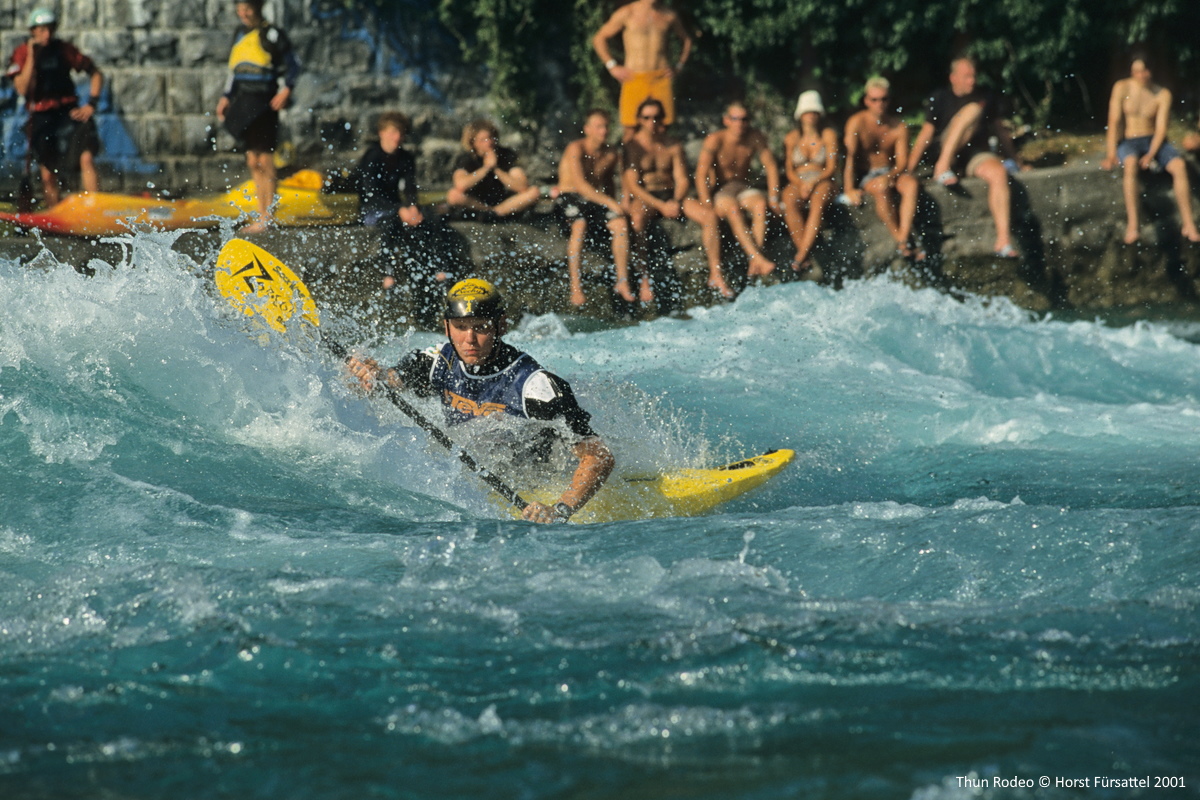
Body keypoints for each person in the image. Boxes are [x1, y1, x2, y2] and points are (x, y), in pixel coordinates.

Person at [345, 279, 615, 524]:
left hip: (540, 483)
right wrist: (369, 374)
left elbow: (599, 455)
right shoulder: (437, 361)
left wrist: (560, 509)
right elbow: (387, 380)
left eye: (481, 328)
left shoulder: (535, 387)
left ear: (502, 325)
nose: (469, 339)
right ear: (446, 327)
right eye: (460, 328)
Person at [908, 56, 1025, 258]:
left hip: (972, 154)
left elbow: (999, 130)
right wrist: (909, 168)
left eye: (973, 76)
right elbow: (926, 134)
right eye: (966, 77)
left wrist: (1016, 160)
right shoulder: (940, 97)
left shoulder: (986, 96)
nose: (972, 81)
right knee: (972, 110)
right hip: (945, 151)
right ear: (953, 78)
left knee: (999, 173)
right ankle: (942, 166)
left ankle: (1003, 240)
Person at [623, 97, 729, 300]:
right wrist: (661, 206)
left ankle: (716, 273)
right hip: (648, 197)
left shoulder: (672, 145)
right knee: (636, 220)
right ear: (639, 120)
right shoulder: (632, 147)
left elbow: (682, 179)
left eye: (656, 117)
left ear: (663, 119)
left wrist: (675, 201)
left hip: (671, 194)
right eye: (646, 118)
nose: (652, 122)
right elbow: (633, 185)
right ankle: (645, 279)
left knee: (710, 217)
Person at [215, 0, 301, 234]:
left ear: (257, 8)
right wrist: (225, 97)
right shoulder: (240, 33)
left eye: (247, 8)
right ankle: (261, 212)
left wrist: (286, 90)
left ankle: (267, 216)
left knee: (265, 158)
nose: (243, 13)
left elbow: (293, 66)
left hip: (264, 101)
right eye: (240, 8)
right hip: (244, 101)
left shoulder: (273, 33)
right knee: (252, 160)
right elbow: (233, 72)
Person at [5, 7, 103, 207]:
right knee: (48, 171)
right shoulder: (22, 53)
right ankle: (54, 214)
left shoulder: (63, 49)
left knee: (86, 158)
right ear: (33, 31)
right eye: (41, 30)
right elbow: (23, 88)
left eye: (50, 29)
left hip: (69, 112)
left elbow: (95, 73)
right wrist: (33, 56)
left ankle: (95, 208)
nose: (46, 35)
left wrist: (91, 104)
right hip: (42, 117)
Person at [1100, 56, 1200, 244]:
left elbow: (1161, 129)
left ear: (1151, 72)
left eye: (1143, 71)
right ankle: (1133, 225)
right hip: (1130, 140)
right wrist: (1111, 153)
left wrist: (1151, 154)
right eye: (1136, 71)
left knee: (1179, 166)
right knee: (1130, 165)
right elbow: (1114, 121)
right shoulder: (1122, 88)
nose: (1140, 75)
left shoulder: (1162, 94)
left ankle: (1189, 224)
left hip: (1154, 140)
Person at [347, 111, 450, 292]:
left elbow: (410, 189)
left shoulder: (406, 158)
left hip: (396, 206)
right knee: (391, 222)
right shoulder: (371, 158)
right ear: (382, 133)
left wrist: (412, 207)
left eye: (401, 133)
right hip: (374, 208)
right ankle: (388, 273)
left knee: (429, 216)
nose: (397, 137)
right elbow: (371, 195)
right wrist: (399, 209)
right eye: (393, 132)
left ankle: (438, 266)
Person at [554, 109, 634, 305]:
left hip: (594, 201)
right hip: (569, 197)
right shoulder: (576, 148)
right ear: (587, 129)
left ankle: (622, 282)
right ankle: (576, 287)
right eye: (598, 126)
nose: (603, 130)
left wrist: (617, 206)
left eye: (606, 126)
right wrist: (610, 202)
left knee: (620, 224)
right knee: (580, 224)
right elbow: (580, 185)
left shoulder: (610, 153)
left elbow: (608, 185)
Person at [695, 102, 780, 278]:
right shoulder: (715, 139)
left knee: (761, 204)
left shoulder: (755, 137)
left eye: (744, 119)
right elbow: (701, 174)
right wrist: (706, 203)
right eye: (735, 119)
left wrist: (774, 197)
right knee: (733, 209)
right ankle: (757, 258)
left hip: (742, 187)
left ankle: (754, 260)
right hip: (722, 189)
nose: (740, 123)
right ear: (726, 120)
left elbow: (771, 167)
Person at [843, 77, 923, 260]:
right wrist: (848, 189)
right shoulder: (856, 122)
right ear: (866, 101)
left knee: (911, 184)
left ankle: (903, 237)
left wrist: (890, 175)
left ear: (889, 100)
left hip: (890, 171)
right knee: (881, 189)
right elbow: (848, 158)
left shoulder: (898, 126)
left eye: (884, 99)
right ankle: (902, 241)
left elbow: (902, 163)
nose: (879, 104)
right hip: (867, 174)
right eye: (874, 100)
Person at [592, 0, 692, 138]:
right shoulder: (627, 13)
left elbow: (686, 40)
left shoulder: (668, 15)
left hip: (661, 77)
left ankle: (659, 159)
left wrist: (679, 66)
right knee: (630, 128)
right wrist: (612, 66)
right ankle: (630, 159)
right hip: (634, 77)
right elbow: (599, 38)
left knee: (662, 127)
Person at [781, 90, 838, 279]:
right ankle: (804, 255)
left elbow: (831, 167)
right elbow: (789, 170)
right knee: (789, 201)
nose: (811, 115)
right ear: (800, 115)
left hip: (822, 178)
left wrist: (813, 181)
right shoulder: (791, 138)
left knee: (817, 202)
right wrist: (801, 183)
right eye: (807, 111)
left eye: (815, 112)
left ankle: (801, 255)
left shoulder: (828, 135)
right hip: (799, 179)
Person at [447, 119, 541, 219]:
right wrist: (485, 168)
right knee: (453, 195)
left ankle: (496, 212)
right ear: (473, 142)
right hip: (477, 202)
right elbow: (461, 185)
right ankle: (487, 212)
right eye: (483, 140)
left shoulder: (506, 154)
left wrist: (496, 169)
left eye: (491, 138)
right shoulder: (466, 158)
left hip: (503, 202)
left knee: (534, 192)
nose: (489, 142)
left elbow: (522, 186)